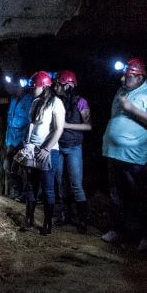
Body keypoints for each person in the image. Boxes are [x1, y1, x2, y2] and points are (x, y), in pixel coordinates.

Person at [101, 57, 147, 250]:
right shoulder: (121, 92)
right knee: (116, 195)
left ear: (139, 77)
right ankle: (118, 230)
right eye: (123, 75)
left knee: (139, 198)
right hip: (114, 153)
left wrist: (132, 109)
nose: (123, 79)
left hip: (136, 156)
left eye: (128, 76)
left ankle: (145, 236)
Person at [19, 71, 65, 235]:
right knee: (31, 186)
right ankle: (29, 219)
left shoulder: (56, 103)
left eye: (35, 85)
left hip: (48, 150)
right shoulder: (35, 102)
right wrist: (27, 144)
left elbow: (58, 129)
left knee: (47, 189)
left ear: (44, 86)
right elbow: (31, 125)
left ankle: (47, 223)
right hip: (32, 149)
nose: (32, 88)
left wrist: (46, 149)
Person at [52, 70, 92, 233]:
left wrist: (65, 126)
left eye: (59, 84)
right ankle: (65, 216)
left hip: (74, 147)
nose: (56, 87)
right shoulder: (56, 101)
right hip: (59, 146)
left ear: (68, 85)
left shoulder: (81, 102)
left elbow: (88, 125)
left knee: (76, 184)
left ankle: (82, 220)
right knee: (60, 181)